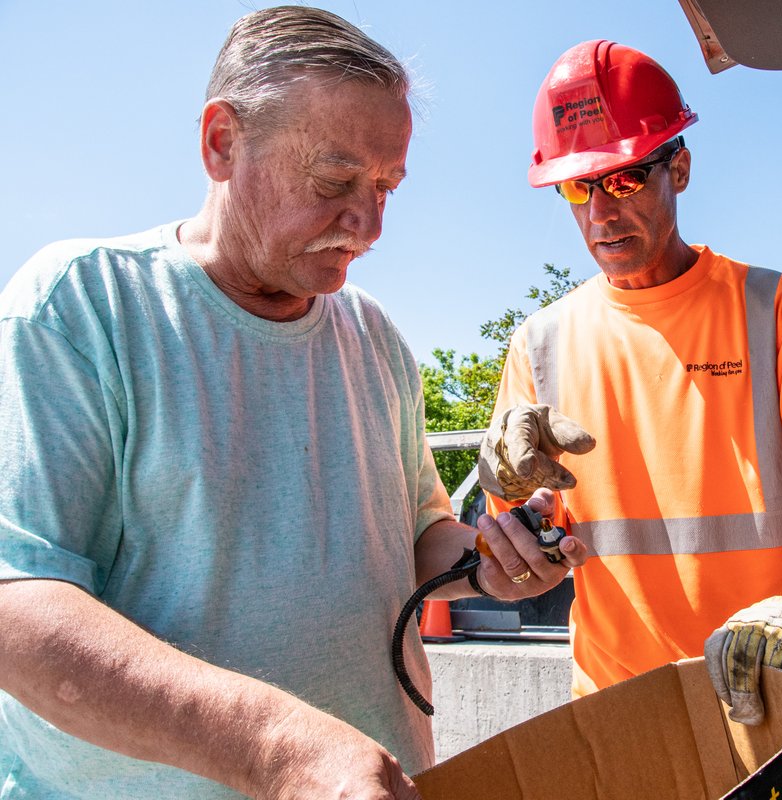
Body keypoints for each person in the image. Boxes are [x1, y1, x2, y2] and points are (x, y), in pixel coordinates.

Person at [0, 7, 585, 798]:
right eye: (335, 181)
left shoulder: (376, 338)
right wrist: (274, 747)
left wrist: (491, 561)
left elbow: (417, 538)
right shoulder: (81, 305)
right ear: (221, 143)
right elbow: (21, 608)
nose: (370, 224)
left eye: (386, 186)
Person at [478, 39, 782, 726]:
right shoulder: (541, 345)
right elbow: (523, 549)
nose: (600, 212)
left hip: (766, 696)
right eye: (576, 186)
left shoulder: (774, 312)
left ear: (678, 167)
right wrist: (506, 508)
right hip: (620, 714)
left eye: (623, 179)